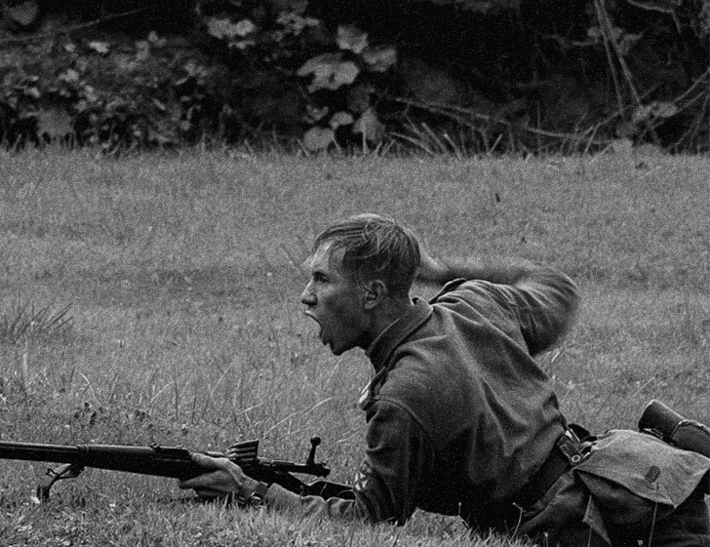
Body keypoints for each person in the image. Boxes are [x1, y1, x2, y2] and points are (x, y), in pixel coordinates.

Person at [178, 214, 709, 545]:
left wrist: (249, 491)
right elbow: (556, 286)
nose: (306, 296)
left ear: (371, 293)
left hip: (593, 524)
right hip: (630, 486)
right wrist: (439, 271)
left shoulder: (406, 396)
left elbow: (368, 521)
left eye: (321, 279)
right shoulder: (475, 301)